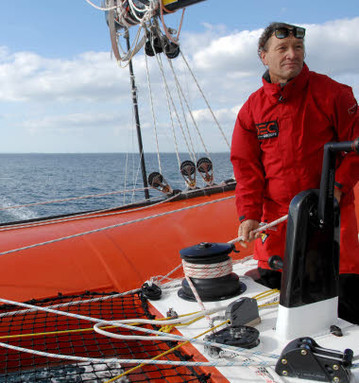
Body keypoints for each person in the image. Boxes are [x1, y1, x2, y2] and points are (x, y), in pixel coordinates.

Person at [230, 22, 359, 323]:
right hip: (277, 229)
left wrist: (337, 187)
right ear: (263, 56)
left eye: (298, 48)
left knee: (347, 308)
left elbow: (355, 150)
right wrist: (248, 214)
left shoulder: (334, 94)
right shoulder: (252, 109)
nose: (292, 54)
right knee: (275, 313)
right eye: (282, 48)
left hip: (332, 222)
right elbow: (246, 169)